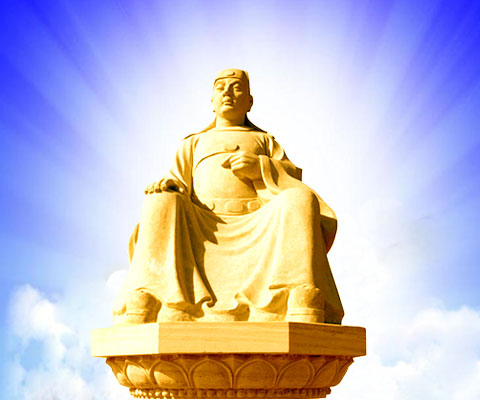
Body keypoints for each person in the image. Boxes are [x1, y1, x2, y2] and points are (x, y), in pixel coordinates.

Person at [113, 69, 344, 325]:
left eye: (236, 88)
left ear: (250, 102)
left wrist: (261, 168)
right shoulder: (193, 143)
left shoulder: (264, 141)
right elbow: (178, 180)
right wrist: (171, 185)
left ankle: (292, 293)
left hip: (258, 222)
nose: (227, 93)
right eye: (221, 88)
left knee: (299, 200)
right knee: (159, 201)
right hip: (201, 223)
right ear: (212, 101)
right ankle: (155, 295)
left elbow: (291, 176)